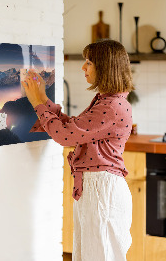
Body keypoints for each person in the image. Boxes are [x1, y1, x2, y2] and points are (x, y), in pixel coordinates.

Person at [22, 39, 134, 261]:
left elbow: (65, 136)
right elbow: (73, 128)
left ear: (105, 67)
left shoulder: (111, 106)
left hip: (102, 190)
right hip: (97, 188)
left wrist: (37, 103)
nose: (83, 67)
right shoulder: (107, 101)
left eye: (89, 62)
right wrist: (43, 98)